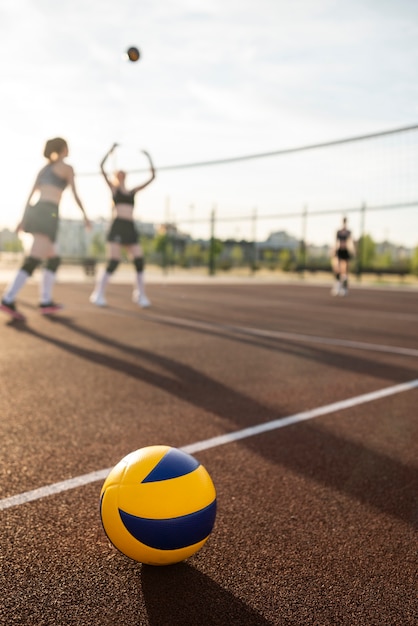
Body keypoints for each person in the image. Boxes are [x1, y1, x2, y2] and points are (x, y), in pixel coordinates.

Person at [1, 137, 90, 321]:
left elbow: (30, 195)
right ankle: (8, 299)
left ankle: (45, 301)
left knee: (53, 258)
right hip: (48, 212)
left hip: (38, 211)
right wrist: (86, 216)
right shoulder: (67, 168)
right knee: (34, 257)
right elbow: (75, 194)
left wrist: (23, 219)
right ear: (64, 148)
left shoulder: (43, 169)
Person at [89, 143, 156, 308]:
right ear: (116, 176)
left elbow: (152, 177)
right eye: (119, 173)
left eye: (124, 173)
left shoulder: (132, 192)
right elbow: (101, 167)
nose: (122, 174)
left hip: (130, 226)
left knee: (139, 260)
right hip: (117, 226)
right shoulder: (114, 190)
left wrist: (148, 157)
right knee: (114, 261)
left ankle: (140, 294)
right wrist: (109, 151)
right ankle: (98, 293)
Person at [331, 216, 355, 296]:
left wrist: (353, 251)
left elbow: (351, 242)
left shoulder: (348, 232)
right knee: (337, 268)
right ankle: (337, 286)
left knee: (345, 271)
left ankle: (344, 288)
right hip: (339, 251)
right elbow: (336, 242)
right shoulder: (338, 232)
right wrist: (333, 250)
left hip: (345, 251)